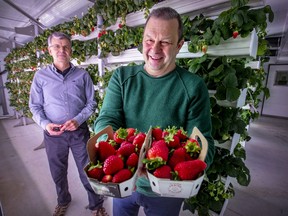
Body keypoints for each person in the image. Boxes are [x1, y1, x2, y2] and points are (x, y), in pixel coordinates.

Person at [94, 7, 215, 216]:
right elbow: (108, 118)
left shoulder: (193, 87)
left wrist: (167, 170)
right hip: (124, 180)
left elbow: (203, 143)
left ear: (179, 46)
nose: (155, 49)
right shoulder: (122, 78)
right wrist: (107, 145)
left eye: (165, 42)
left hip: (166, 190)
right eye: (149, 40)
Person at [29, 32, 108, 216]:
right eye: (57, 46)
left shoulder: (82, 75)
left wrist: (78, 119)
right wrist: (46, 124)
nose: (61, 50)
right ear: (49, 50)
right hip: (53, 135)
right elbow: (35, 106)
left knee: (88, 171)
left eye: (65, 46)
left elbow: (92, 103)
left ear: (70, 50)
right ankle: (63, 201)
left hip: (79, 132)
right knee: (58, 172)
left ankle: (96, 205)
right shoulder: (41, 77)